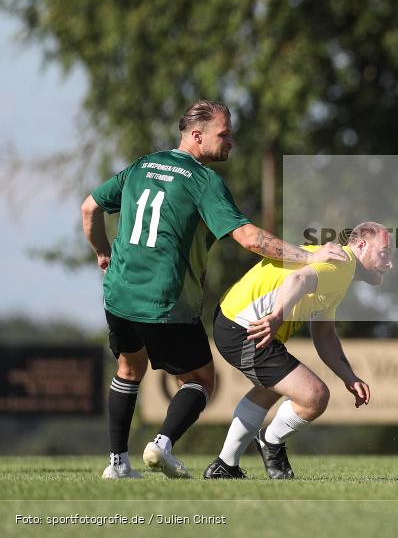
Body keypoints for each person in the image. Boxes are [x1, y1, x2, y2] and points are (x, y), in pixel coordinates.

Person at [81, 99, 348, 480]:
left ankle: (117, 464)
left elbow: (89, 207)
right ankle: (162, 444)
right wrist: (309, 256)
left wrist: (102, 252)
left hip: (118, 295)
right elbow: (250, 238)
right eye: (224, 134)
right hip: (166, 300)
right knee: (202, 379)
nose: (231, 141)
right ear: (196, 135)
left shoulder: (141, 166)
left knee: (128, 369)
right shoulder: (203, 181)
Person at [203, 221, 393, 480]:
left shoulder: (340, 268)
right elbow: (298, 279)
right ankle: (270, 441)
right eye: (384, 253)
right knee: (314, 396)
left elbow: (324, 334)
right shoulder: (342, 264)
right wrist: (277, 316)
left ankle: (225, 465)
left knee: (270, 389)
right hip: (245, 327)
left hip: (234, 320)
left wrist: (349, 377)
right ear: (361, 245)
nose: (389, 263)